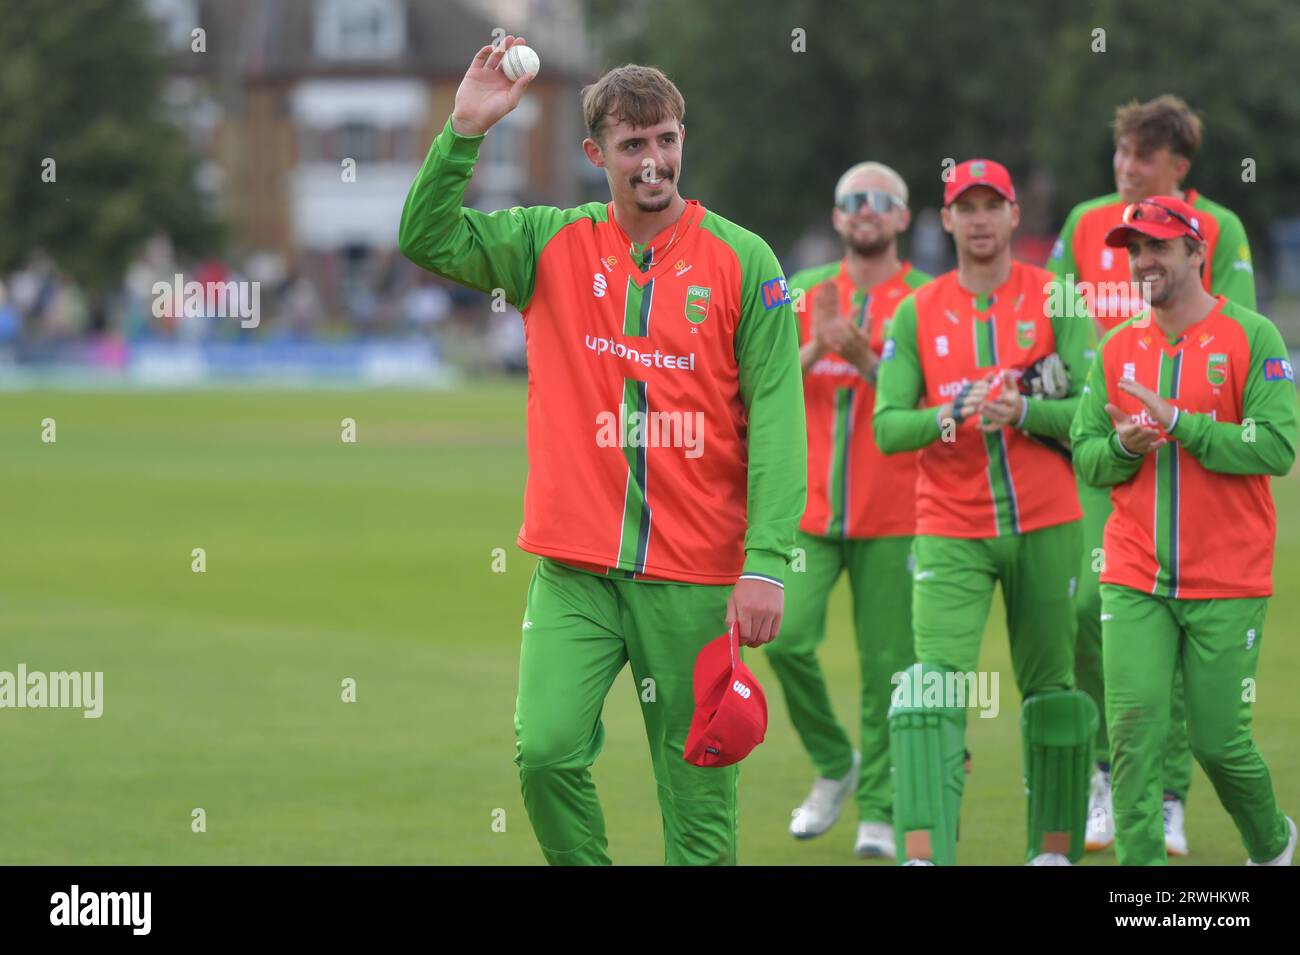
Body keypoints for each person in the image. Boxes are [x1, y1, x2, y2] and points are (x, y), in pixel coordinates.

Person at [398, 38, 806, 865]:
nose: (652, 161)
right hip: (574, 568)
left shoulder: (744, 259)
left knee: (698, 807)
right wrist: (466, 130)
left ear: (682, 139)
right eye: (631, 144)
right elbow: (425, 236)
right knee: (545, 752)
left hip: (695, 578)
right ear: (596, 154)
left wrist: (765, 561)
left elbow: (777, 417)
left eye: (665, 140)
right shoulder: (546, 242)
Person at [1047, 95, 1256, 854]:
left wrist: (1179, 408)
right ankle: (1107, 774)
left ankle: (1167, 793)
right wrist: (1096, 393)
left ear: (1179, 166)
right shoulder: (1083, 223)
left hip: (1189, 453)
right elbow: (1058, 310)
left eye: (1142, 157)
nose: (1126, 168)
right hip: (1106, 438)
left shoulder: (1219, 228)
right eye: (1120, 154)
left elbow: (1238, 333)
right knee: (1086, 620)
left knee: (1170, 619)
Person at [874, 159, 1098, 865]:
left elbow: (1094, 408)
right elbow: (887, 426)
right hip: (951, 528)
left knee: (1053, 694)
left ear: (1011, 215)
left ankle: (1053, 850)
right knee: (930, 692)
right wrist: (953, 413)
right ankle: (925, 850)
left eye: (990, 205)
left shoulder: (1057, 296)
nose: (977, 218)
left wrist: (1027, 409)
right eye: (963, 206)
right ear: (945, 220)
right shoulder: (918, 310)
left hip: (1047, 522)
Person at [1069, 194, 1297, 866]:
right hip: (1134, 573)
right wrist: (1125, 449)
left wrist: (1182, 423)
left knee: (1219, 742)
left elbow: (1276, 446)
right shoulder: (1115, 348)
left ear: (1198, 252)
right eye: (1135, 250)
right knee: (1133, 735)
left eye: (1159, 247)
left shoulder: (1253, 337)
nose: (1143, 261)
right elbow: (1086, 454)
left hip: (1228, 579)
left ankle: (1273, 840)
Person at [770, 162, 929, 858]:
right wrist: (816, 346)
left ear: (903, 217)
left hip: (897, 511)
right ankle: (837, 761)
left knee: (887, 667)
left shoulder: (928, 299)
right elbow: (757, 392)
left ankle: (882, 813)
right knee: (783, 638)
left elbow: (933, 409)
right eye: (851, 201)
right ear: (836, 218)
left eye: (881, 201)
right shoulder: (802, 292)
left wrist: (867, 359)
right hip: (808, 514)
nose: (865, 210)